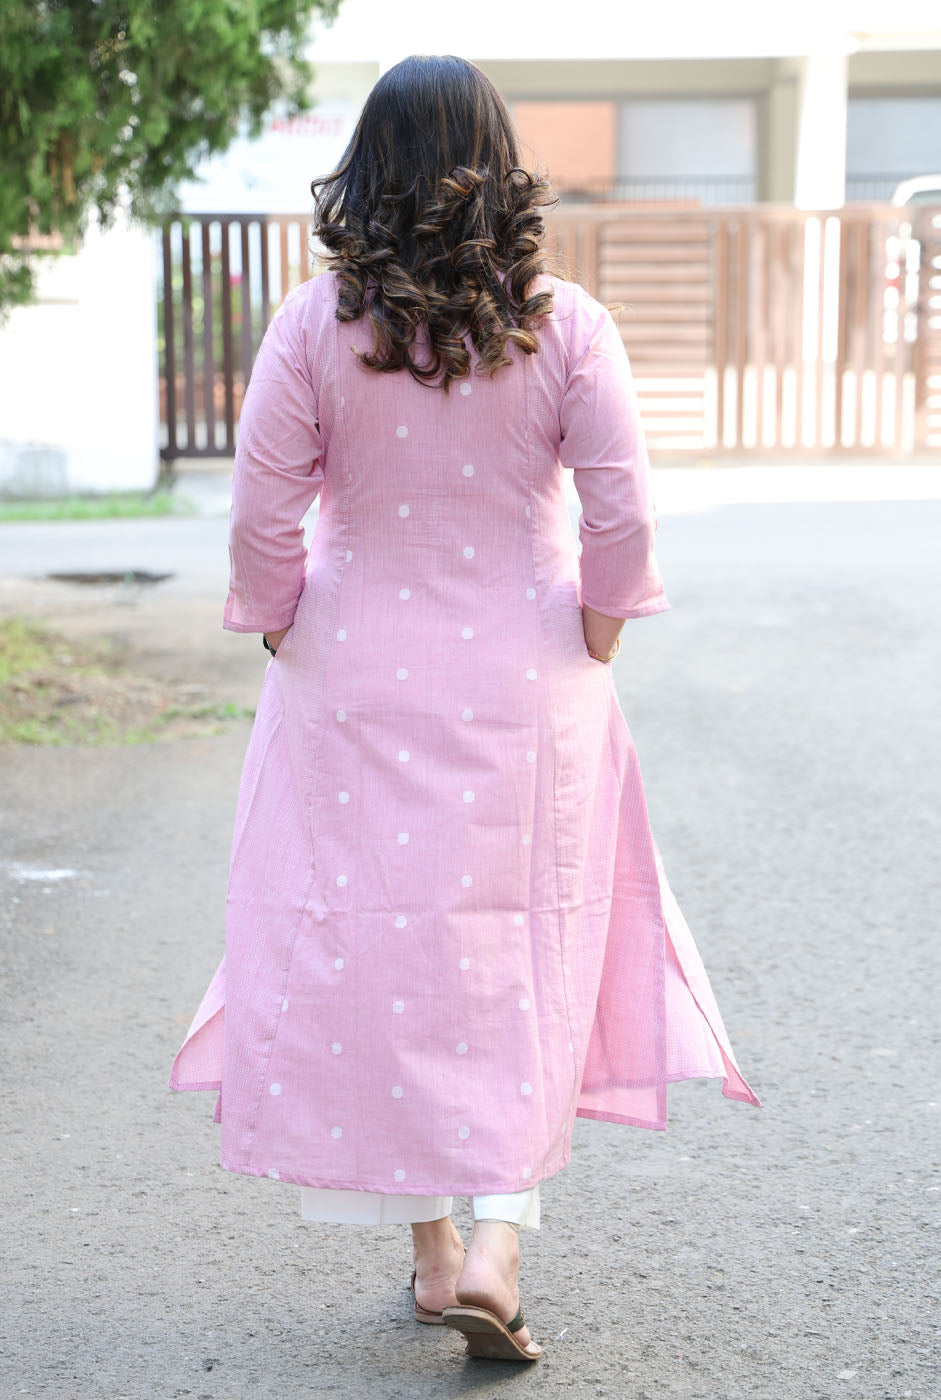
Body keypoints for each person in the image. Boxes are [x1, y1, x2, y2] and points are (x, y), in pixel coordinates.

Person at [169, 54, 759, 1365]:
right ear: (501, 169)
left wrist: (280, 621)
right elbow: (622, 513)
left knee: (383, 951)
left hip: (351, 679)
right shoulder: (567, 325)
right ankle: (496, 1240)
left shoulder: (315, 328)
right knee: (525, 946)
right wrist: (598, 628)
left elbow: (262, 514)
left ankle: (434, 1254)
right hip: (527, 682)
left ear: (364, 174)